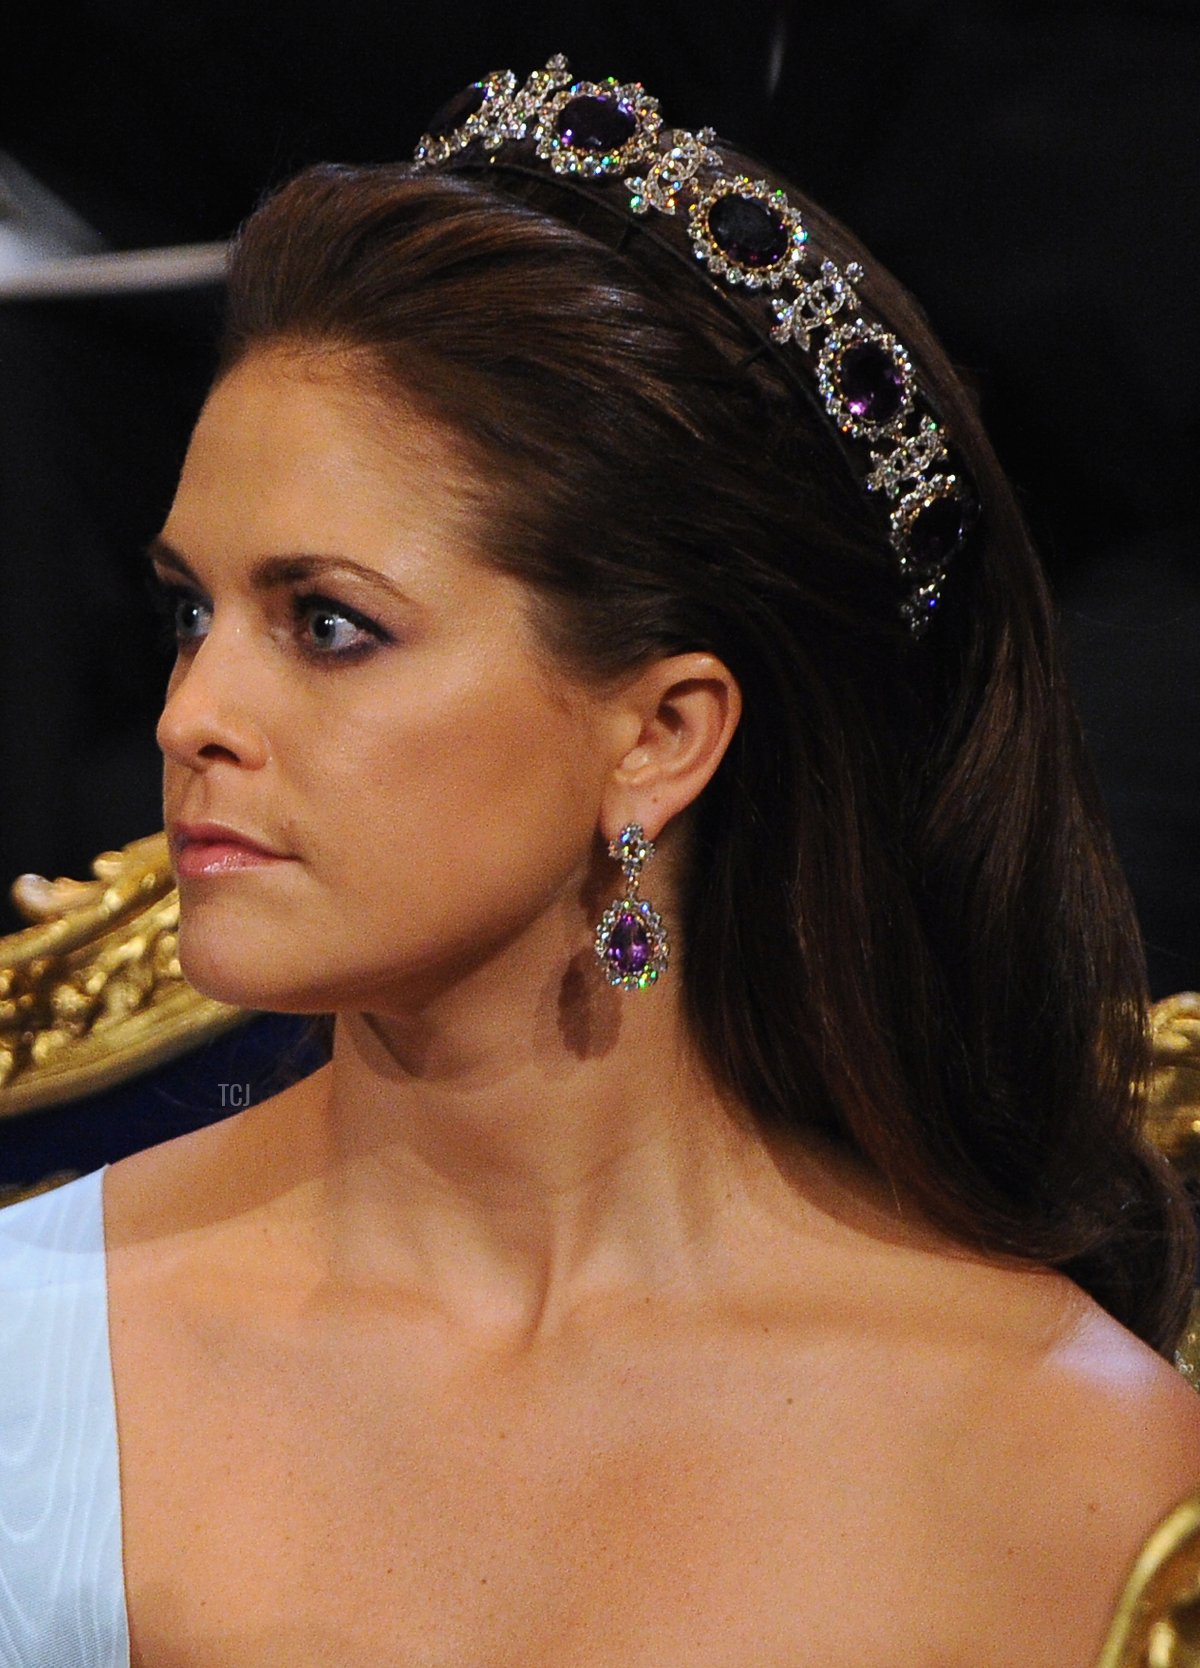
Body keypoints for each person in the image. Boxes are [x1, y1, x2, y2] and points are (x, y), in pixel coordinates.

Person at [2, 54, 1198, 1668]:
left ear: (660, 735)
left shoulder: (1073, 1474)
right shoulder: (27, 1356)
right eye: (189, 614)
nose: (192, 712)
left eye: (331, 626)